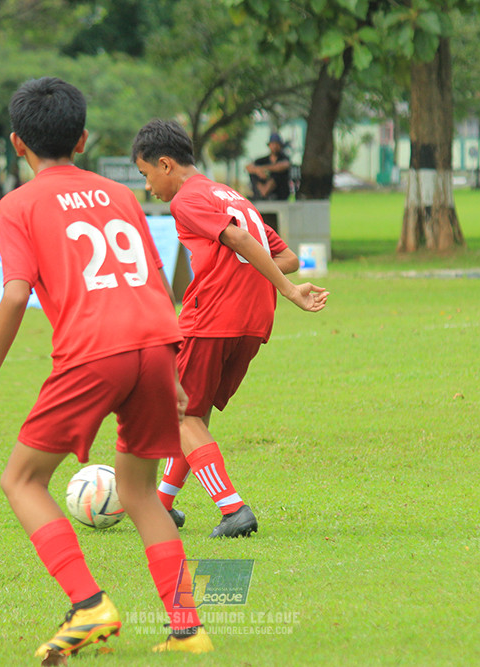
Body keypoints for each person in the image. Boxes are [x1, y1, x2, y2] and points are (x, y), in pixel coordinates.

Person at [0, 78, 213, 661]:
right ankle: (188, 629)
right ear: (81, 139)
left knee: (21, 480)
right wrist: (172, 369)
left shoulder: (17, 204)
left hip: (93, 351)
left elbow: (15, 293)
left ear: (16, 144)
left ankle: (87, 604)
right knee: (140, 491)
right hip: (155, 345)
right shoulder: (121, 195)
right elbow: (155, 280)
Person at [131, 119, 329, 539]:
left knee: (177, 411)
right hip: (252, 322)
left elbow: (239, 242)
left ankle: (232, 508)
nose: (148, 187)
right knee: (194, 413)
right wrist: (276, 281)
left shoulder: (189, 198)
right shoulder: (233, 196)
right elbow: (287, 256)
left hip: (212, 317)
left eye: (146, 175)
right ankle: (161, 504)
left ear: (165, 165)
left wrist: (290, 291)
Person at [245, 132, 292, 200]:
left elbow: (283, 166)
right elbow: (248, 167)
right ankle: (262, 193)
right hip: (262, 189)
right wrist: (258, 171)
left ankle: (265, 191)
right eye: (273, 144)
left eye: (277, 144)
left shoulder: (283, 158)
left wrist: (263, 168)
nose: (275, 147)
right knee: (253, 174)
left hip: (280, 194)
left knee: (278, 173)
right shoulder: (262, 160)